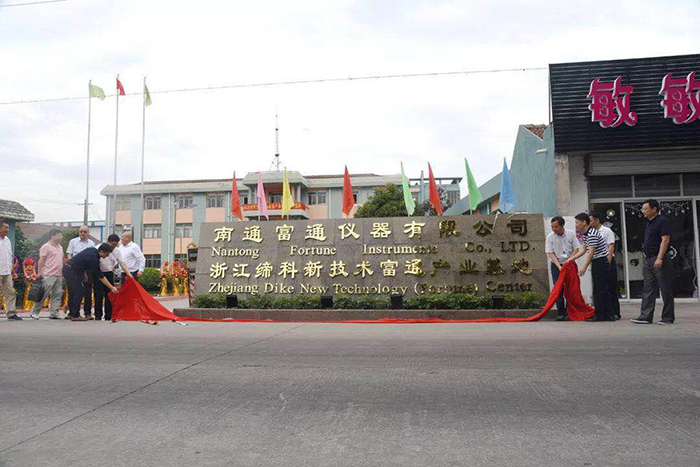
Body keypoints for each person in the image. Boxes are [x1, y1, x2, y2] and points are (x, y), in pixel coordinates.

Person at [631, 199, 675, 325]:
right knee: (648, 288)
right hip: (648, 259)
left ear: (654, 209)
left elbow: (665, 240)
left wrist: (660, 258)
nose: (643, 211)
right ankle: (645, 316)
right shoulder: (649, 223)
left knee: (665, 288)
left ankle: (667, 317)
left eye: (645, 209)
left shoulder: (662, 221)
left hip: (659, 258)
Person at [573, 213, 613, 322]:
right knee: (599, 289)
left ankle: (602, 314)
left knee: (600, 289)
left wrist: (584, 267)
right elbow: (583, 250)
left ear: (584, 222)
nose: (576, 225)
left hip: (600, 262)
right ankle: (605, 314)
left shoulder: (592, 234)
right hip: (597, 262)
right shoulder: (586, 234)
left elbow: (591, 253)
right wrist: (570, 259)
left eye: (577, 222)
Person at [63, 244, 118, 321]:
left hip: (69, 269)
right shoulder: (94, 259)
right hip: (72, 271)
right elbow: (101, 277)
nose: (107, 256)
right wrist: (112, 288)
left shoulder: (92, 250)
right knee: (79, 291)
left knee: (73, 292)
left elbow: (82, 261)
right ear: (102, 251)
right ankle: (75, 315)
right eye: (107, 254)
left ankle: (71, 313)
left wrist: (84, 273)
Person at [545, 216, 583, 321]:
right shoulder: (550, 237)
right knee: (558, 289)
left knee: (571, 288)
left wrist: (569, 260)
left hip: (569, 264)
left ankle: (570, 312)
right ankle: (561, 313)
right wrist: (559, 266)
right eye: (552, 227)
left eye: (556, 227)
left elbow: (576, 248)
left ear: (562, 226)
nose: (554, 229)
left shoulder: (571, 234)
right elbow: (550, 253)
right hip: (556, 265)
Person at [590, 212, 621, 320]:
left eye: (591, 220)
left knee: (611, 287)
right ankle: (602, 312)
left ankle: (615, 312)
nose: (589, 223)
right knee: (599, 288)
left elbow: (611, 247)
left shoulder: (607, 231)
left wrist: (608, 262)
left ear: (597, 220)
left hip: (608, 261)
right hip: (598, 261)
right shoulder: (592, 232)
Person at [94, 234, 132, 321]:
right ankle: (98, 315)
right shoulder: (98, 248)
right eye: (112, 245)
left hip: (110, 273)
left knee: (110, 295)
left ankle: (109, 315)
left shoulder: (117, 251)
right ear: (108, 242)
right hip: (99, 273)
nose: (113, 247)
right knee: (98, 295)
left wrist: (128, 273)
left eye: (115, 245)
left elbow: (121, 262)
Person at [30, 229, 64, 320]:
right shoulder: (46, 246)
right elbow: (41, 260)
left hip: (58, 274)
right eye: (59, 235)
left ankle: (54, 313)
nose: (61, 237)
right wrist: (39, 272)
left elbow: (61, 260)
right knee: (43, 294)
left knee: (57, 295)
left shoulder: (60, 247)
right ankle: (34, 312)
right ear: (52, 236)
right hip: (48, 274)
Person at [66, 226, 96, 319]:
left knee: (87, 292)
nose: (82, 233)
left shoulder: (91, 243)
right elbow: (69, 254)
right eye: (81, 231)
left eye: (84, 232)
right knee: (73, 291)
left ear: (88, 233)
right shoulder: (73, 241)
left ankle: (87, 313)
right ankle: (72, 312)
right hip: (75, 269)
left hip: (87, 269)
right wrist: (72, 265)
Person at [0, 222, 21, 321]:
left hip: (7, 271)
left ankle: (11, 314)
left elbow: (10, 255)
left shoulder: (7, 240)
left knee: (10, 292)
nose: (8, 230)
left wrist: (12, 270)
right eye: (6, 228)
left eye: (8, 228)